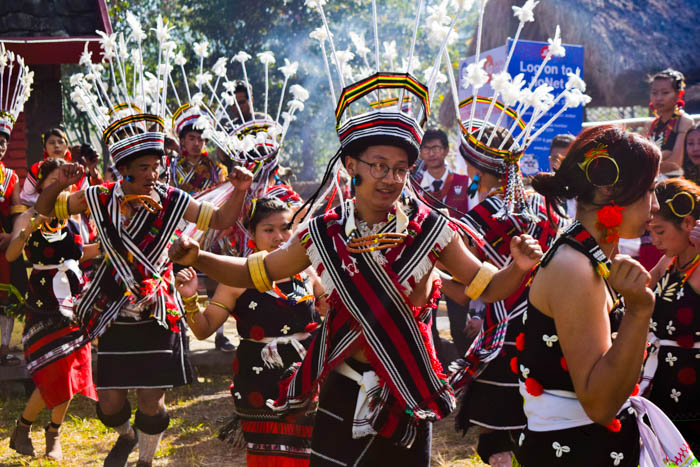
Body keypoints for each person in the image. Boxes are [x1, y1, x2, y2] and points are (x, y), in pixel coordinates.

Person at [169, 73, 544, 464]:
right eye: (379, 166)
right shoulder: (325, 232)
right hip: (343, 387)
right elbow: (254, 272)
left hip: (407, 388)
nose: (391, 179)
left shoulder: (431, 231)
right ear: (351, 164)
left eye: (400, 169)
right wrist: (198, 258)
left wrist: (518, 268)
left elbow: (488, 286)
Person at [59, 26, 254, 466]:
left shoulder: (172, 199)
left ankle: (146, 459)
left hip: (154, 306)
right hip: (111, 303)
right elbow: (55, 208)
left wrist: (240, 189)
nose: (152, 173)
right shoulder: (101, 196)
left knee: (151, 398)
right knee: (108, 402)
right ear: (122, 169)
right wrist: (58, 182)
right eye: (142, 167)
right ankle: (125, 436)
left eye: (156, 165)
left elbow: (222, 219)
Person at [514, 124, 666, 465]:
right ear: (610, 189)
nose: (654, 205)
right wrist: (639, 311)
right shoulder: (575, 268)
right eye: (649, 190)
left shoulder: (588, 256)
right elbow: (600, 405)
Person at [175, 196, 325, 466]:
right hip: (258, 381)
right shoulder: (236, 278)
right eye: (269, 230)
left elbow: (328, 312)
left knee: (309, 455)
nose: (279, 236)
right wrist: (189, 298)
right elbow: (203, 330)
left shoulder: (308, 272)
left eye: (286, 227)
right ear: (252, 233)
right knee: (267, 457)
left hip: (305, 377)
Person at [453, 123, 567, 467]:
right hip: (547, 325)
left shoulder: (481, 216)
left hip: (502, 334)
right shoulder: (546, 205)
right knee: (541, 428)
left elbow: (470, 284)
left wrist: (434, 284)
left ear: (476, 167)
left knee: (498, 439)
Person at [7, 158, 100, 460]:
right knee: (53, 374)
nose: (63, 186)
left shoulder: (71, 222)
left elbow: (79, 254)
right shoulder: (28, 216)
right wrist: (26, 231)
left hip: (72, 302)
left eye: (67, 181)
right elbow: (11, 255)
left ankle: (54, 434)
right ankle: (23, 426)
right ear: (42, 185)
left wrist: (107, 247)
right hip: (43, 305)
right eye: (56, 180)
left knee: (72, 371)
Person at [169, 106, 234, 352]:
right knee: (180, 278)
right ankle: (182, 332)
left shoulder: (218, 169)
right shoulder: (171, 169)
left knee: (218, 281)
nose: (197, 143)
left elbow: (226, 200)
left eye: (201, 139)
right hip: (182, 232)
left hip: (214, 231)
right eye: (191, 138)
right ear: (182, 140)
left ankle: (219, 333)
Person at [644, 178, 700, 452]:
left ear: (688, 224)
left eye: (661, 231)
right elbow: (637, 294)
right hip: (661, 381)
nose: (654, 240)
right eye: (650, 231)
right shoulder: (668, 261)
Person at [20, 128, 87, 206]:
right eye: (52, 143)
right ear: (44, 148)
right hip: (42, 212)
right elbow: (26, 197)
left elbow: (84, 195)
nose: (57, 146)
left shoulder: (76, 168)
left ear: (67, 146)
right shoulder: (38, 168)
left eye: (60, 142)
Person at [647, 68, 694, 179]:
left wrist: (653, 163)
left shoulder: (684, 121)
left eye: (665, 93)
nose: (658, 98)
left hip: (678, 183)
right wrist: (665, 155)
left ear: (679, 94)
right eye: (654, 93)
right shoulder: (652, 125)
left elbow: (675, 165)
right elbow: (640, 160)